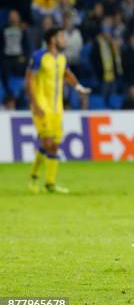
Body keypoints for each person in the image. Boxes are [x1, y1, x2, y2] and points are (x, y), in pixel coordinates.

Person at [25, 28, 91, 194]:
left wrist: (79, 87)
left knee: (53, 146)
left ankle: (50, 184)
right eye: (61, 36)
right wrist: (35, 104)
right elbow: (29, 81)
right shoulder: (39, 56)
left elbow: (67, 74)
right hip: (41, 106)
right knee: (48, 143)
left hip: (57, 109)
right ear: (52, 39)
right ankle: (33, 178)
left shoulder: (62, 58)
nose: (64, 39)